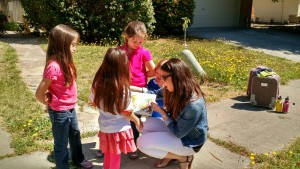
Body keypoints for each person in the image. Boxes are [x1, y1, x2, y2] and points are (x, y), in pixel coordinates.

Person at [35, 24, 93, 169]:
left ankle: (78, 159)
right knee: (61, 144)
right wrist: (48, 103)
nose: (75, 48)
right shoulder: (54, 66)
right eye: (72, 45)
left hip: (70, 108)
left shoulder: (65, 61)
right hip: (60, 112)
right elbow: (39, 93)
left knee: (75, 136)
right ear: (62, 45)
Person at [137, 58, 208, 169]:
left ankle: (183, 158)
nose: (161, 80)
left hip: (189, 141)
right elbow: (155, 93)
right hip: (176, 128)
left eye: (163, 77)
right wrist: (131, 91)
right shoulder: (174, 87)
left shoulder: (193, 105)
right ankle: (172, 150)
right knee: (140, 124)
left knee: (141, 143)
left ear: (176, 77)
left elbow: (178, 133)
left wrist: (162, 112)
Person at [90, 48, 143, 169]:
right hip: (119, 129)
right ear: (122, 66)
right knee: (115, 156)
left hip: (104, 126)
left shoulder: (97, 83)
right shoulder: (122, 88)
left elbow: (93, 102)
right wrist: (137, 120)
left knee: (109, 153)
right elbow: (126, 112)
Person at [118, 20, 156, 159]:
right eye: (135, 41)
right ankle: (117, 143)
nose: (138, 45)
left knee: (136, 119)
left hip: (140, 90)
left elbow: (154, 70)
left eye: (140, 42)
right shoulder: (119, 51)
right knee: (121, 117)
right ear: (126, 36)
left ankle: (133, 145)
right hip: (123, 89)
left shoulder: (144, 53)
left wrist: (143, 76)